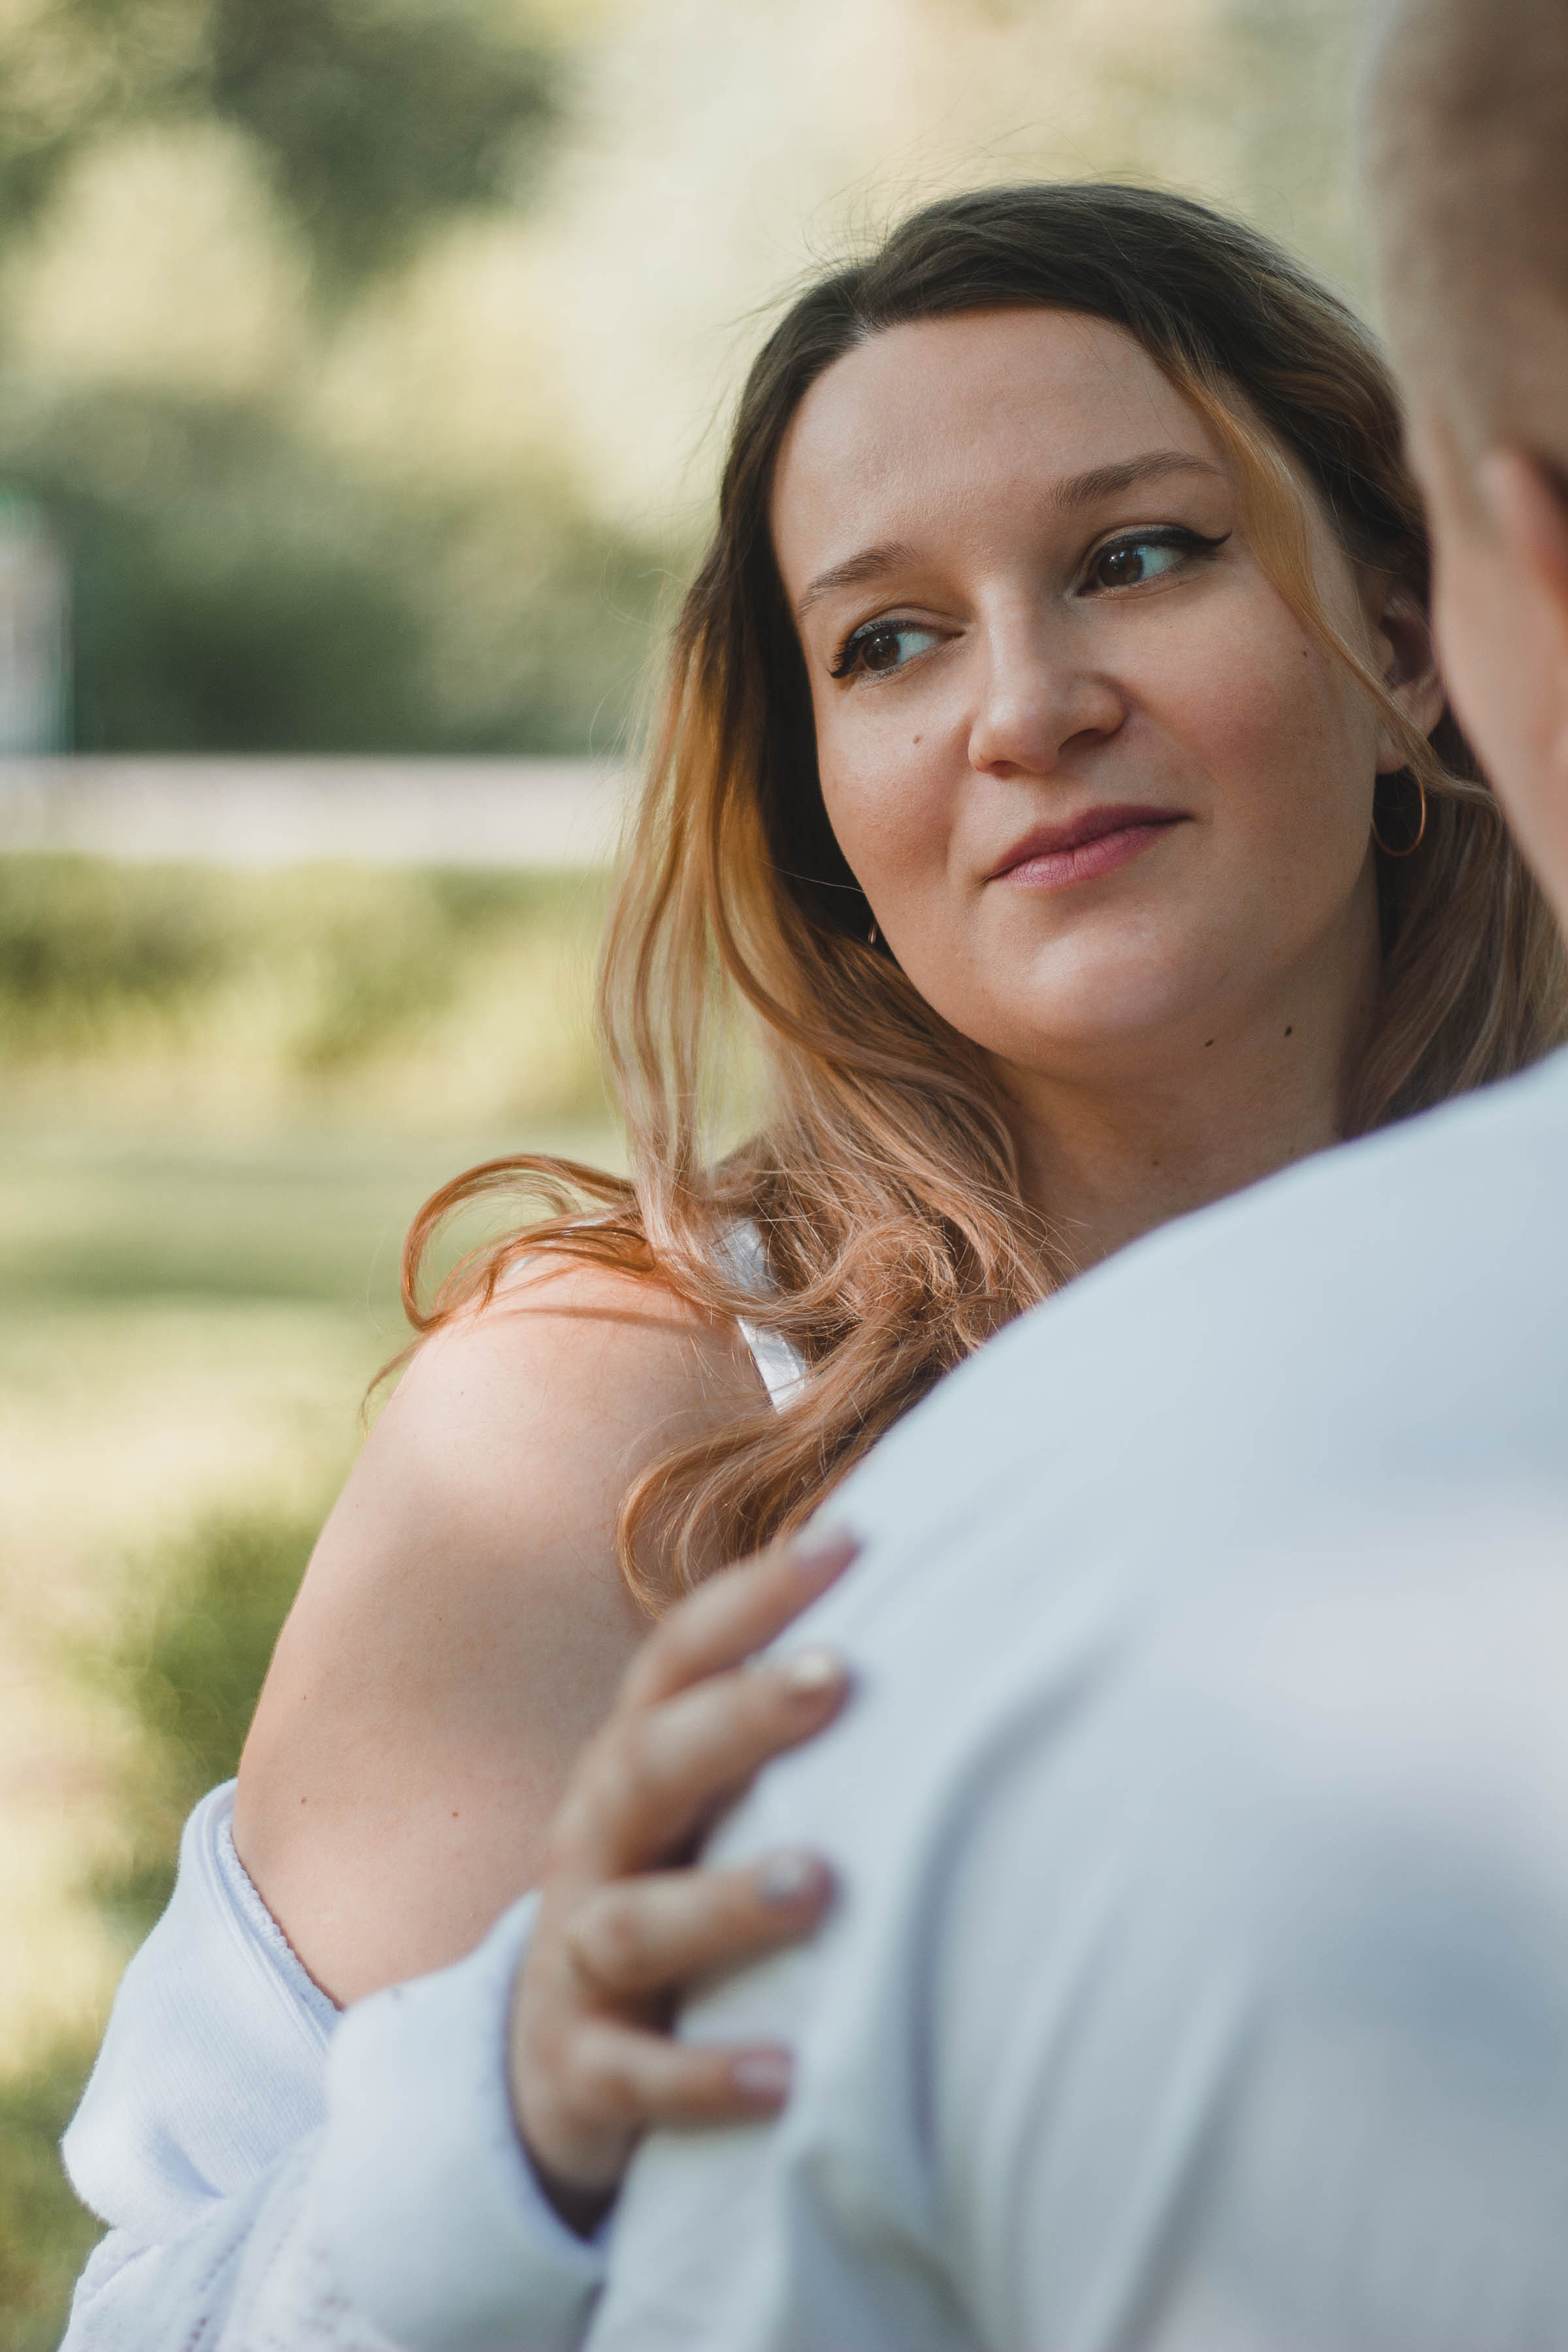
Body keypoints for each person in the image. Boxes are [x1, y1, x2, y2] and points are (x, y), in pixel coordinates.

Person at [59, 179, 1563, 2346]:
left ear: (1410, 641)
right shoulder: (609, 1422)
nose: (1026, 706)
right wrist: (504, 2116)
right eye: (888, 642)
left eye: (1138, 556)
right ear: (823, 811)